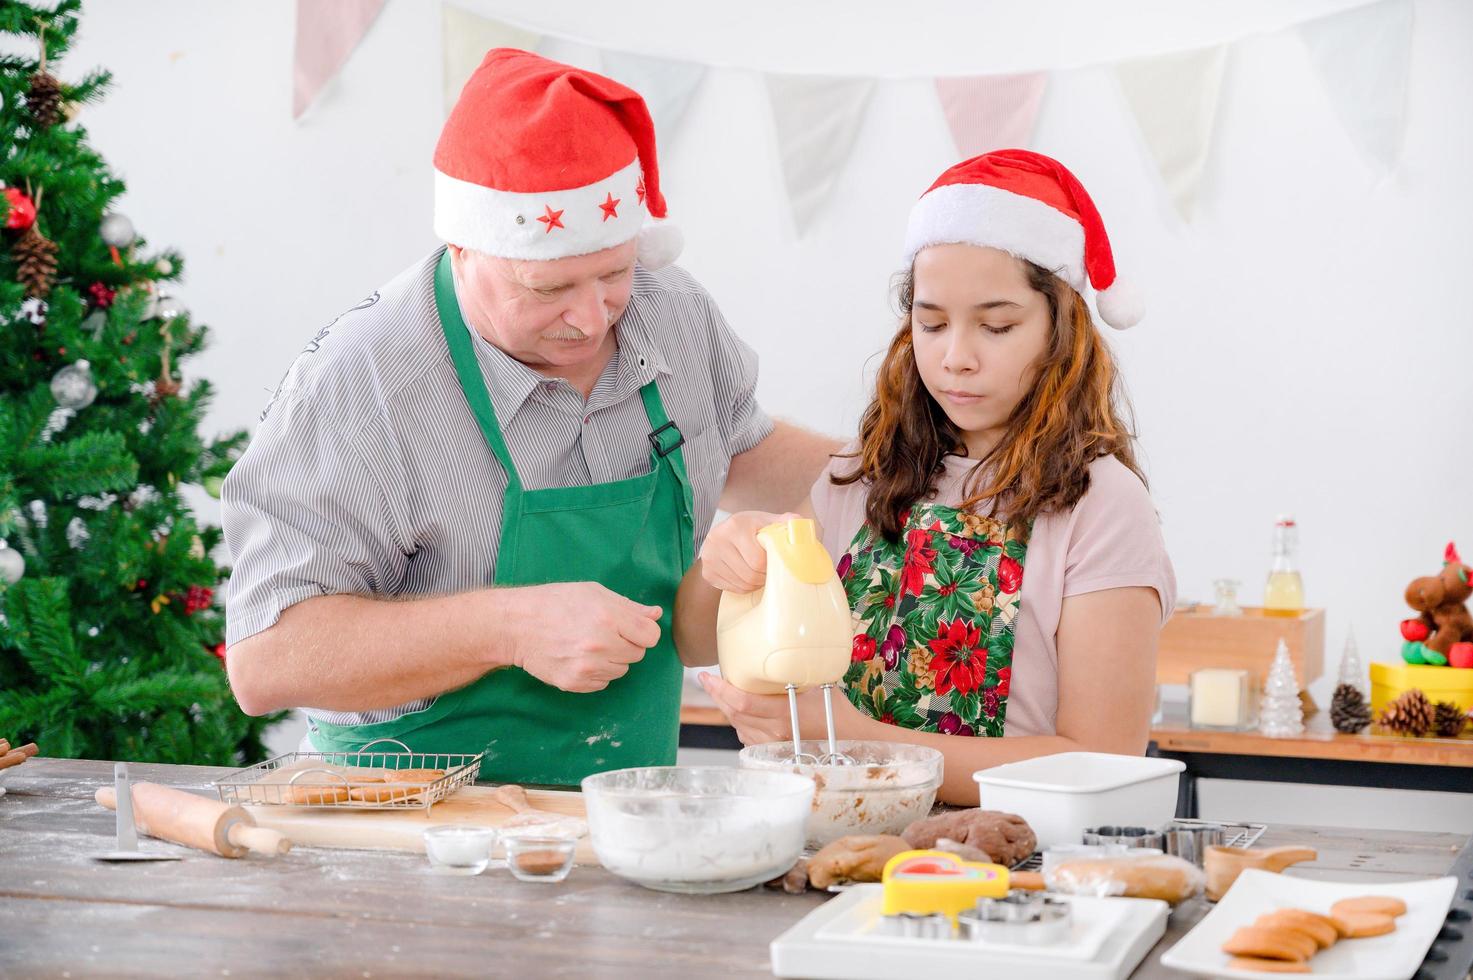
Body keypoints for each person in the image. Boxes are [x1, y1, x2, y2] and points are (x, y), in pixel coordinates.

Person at [221, 49, 836, 785]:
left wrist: (915, 471)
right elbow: (265, 662)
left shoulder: (671, 309)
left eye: (613, 272)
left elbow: (739, 451)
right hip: (412, 817)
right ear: (463, 248)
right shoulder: (358, 392)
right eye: (547, 289)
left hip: (625, 798)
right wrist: (506, 627)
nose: (590, 318)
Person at [678, 150, 1176, 804]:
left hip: (1007, 867)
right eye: (931, 322)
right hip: (842, 844)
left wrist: (856, 742)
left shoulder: (1102, 504)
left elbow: (1099, 758)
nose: (954, 358)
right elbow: (690, 642)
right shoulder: (862, 475)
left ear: (1061, 329)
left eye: (996, 326)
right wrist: (729, 553)